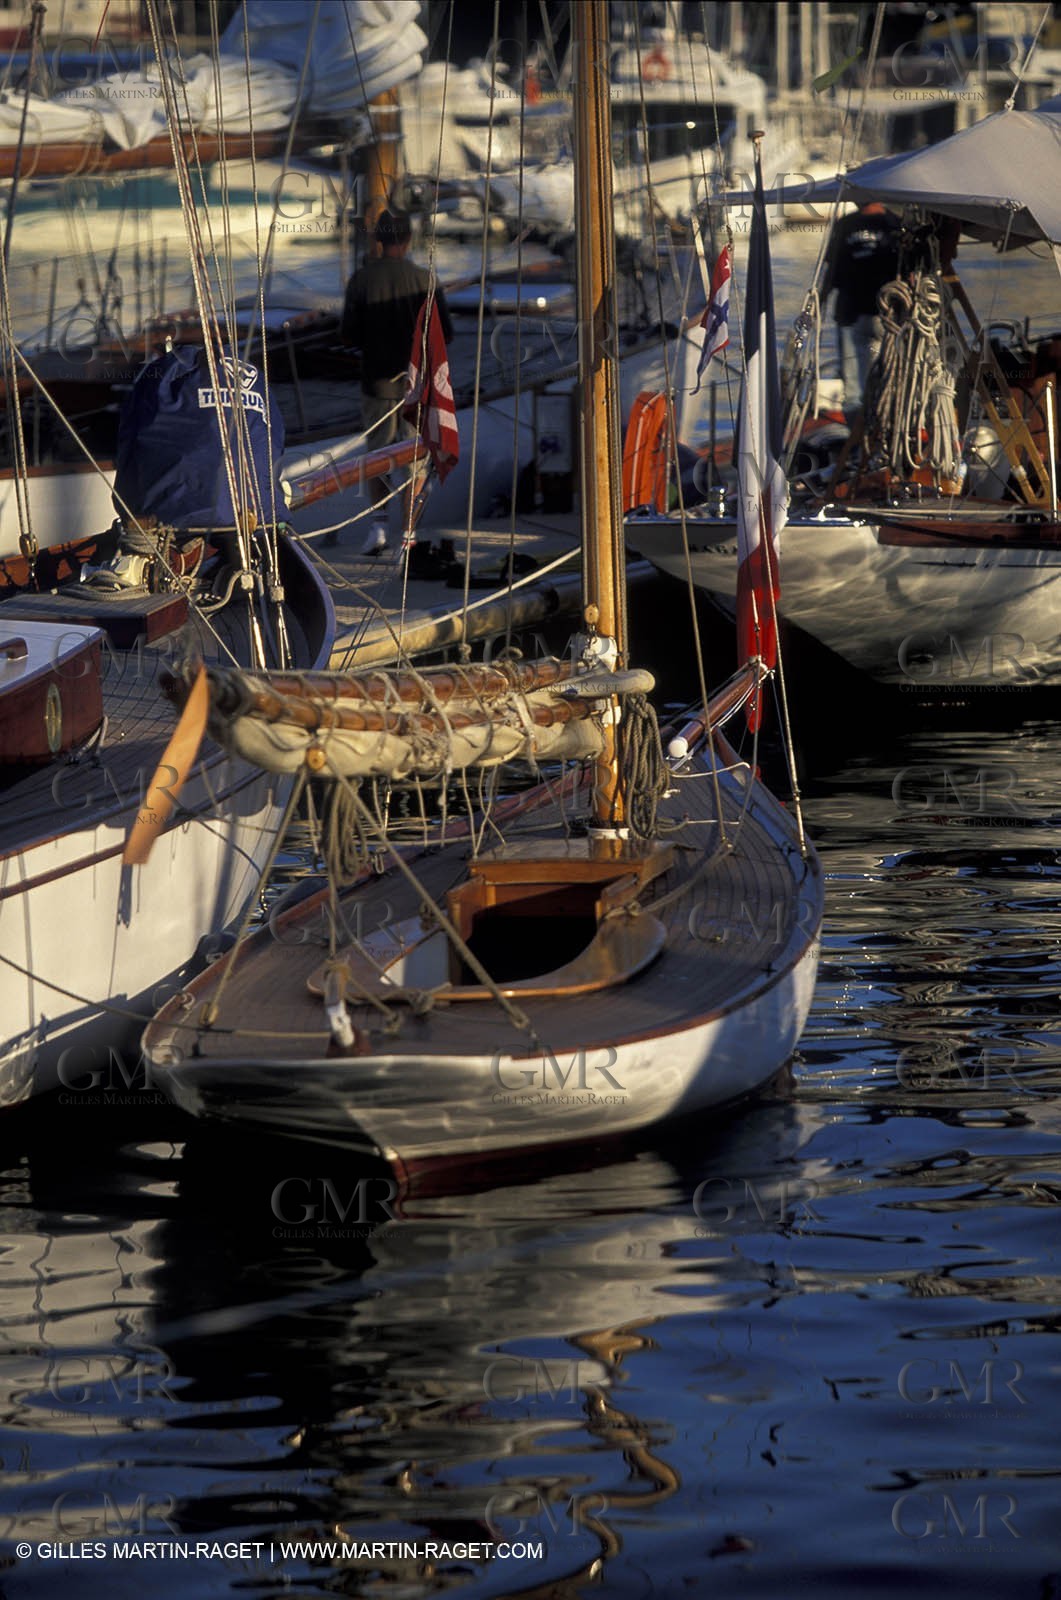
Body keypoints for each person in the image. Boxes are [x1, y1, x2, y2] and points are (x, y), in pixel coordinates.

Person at [339, 209, 454, 554]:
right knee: (414, 460)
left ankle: (378, 528)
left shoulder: (361, 280)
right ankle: (408, 536)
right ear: (407, 240)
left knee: (377, 456)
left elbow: (348, 335)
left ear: (378, 240)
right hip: (416, 387)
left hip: (376, 383)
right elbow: (445, 333)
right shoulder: (425, 279)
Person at [821, 202, 902, 413]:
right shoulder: (894, 223)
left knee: (857, 386)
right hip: (865, 315)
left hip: (880, 316)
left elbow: (832, 272)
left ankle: (867, 427)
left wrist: (822, 299)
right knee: (867, 386)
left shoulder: (892, 224)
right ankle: (866, 428)